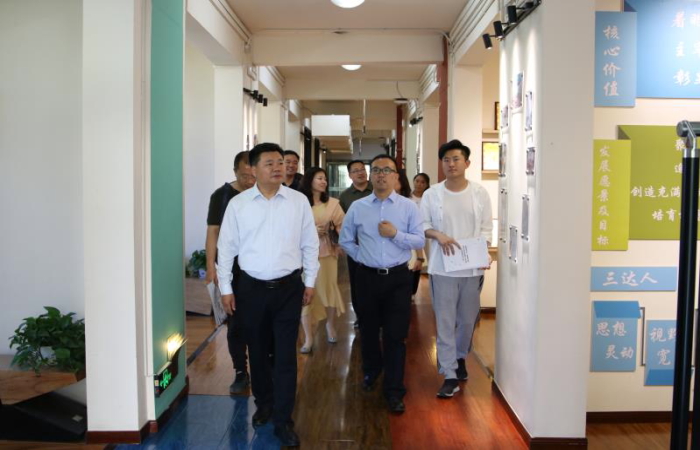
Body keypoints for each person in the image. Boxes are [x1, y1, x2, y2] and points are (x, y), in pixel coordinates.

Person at [217, 143, 319, 447]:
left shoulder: (298, 201)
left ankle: (284, 419)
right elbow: (226, 248)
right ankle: (264, 404)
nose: (277, 168)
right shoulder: (239, 204)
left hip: (289, 288)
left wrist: (310, 281)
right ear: (253, 169)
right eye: (269, 163)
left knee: (286, 355)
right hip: (251, 289)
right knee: (258, 351)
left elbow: (310, 243)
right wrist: (226, 289)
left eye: (280, 162)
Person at [339, 154, 425, 414]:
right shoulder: (358, 207)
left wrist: (395, 234)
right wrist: (361, 256)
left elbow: (419, 240)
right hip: (366, 277)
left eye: (387, 170)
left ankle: (394, 390)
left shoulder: (408, 207)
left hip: (398, 278)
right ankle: (371, 371)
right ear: (371, 175)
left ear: (396, 176)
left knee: (395, 335)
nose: (380, 174)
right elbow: (345, 240)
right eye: (376, 170)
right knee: (367, 330)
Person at [420, 139, 493, 399]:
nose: (451, 164)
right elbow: (422, 225)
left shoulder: (479, 193)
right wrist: (437, 234)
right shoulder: (432, 194)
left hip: (471, 269)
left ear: (467, 163)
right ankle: (449, 373)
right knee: (445, 320)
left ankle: (461, 356)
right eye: (446, 160)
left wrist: (482, 251)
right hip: (443, 269)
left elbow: (486, 229)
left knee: (467, 320)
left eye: (456, 159)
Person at [204, 151, 255, 394]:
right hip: (231, 269)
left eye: (253, 175)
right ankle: (240, 371)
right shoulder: (222, 196)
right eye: (244, 176)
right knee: (235, 323)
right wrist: (210, 267)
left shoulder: (263, 194)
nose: (250, 181)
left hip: (259, 268)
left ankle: (264, 368)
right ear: (235, 172)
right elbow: (213, 231)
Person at [298, 167, 346, 353]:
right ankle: (308, 337)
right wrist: (310, 232)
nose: (324, 181)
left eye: (325, 178)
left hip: (328, 253)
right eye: (319, 178)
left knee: (329, 289)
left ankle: (330, 326)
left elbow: (343, 226)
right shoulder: (299, 203)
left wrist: (337, 236)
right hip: (304, 256)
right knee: (306, 293)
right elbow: (291, 228)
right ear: (309, 180)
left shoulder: (333, 203)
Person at [338, 160, 373, 329]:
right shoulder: (345, 196)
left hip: (376, 245)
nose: (360, 173)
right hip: (356, 247)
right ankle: (361, 315)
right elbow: (342, 223)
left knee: (376, 282)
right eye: (356, 171)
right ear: (350, 175)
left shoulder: (376, 189)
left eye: (362, 169)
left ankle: (378, 316)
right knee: (357, 282)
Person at [394, 170, 426, 302]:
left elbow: (415, 232)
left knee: (407, 292)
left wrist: (420, 257)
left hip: (408, 252)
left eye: (395, 178)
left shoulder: (409, 204)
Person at [410, 173, 431, 298]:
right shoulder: (407, 197)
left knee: (422, 261)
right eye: (417, 181)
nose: (419, 184)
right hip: (411, 234)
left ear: (427, 184)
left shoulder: (429, 198)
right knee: (412, 261)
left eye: (423, 182)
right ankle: (409, 290)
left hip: (426, 233)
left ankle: (413, 291)